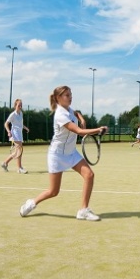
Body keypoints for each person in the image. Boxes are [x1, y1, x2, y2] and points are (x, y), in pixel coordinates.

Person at [19, 86, 108, 221]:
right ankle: (32, 203)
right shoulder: (60, 114)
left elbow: (76, 113)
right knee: (53, 191)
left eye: (71, 94)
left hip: (71, 153)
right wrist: (98, 129)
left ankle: (83, 210)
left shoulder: (68, 109)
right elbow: (77, 131)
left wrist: (81, 118)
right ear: (58, 98)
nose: (70, 97)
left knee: (89, 175)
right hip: (57, 155)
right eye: (67, 95)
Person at [1, 98, 29, 174]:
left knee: (17, 152)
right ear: (15, 105)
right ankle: (19, 168)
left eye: (21, 105)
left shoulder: (21, 113)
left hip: (20, 133)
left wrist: (25, 128)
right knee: (20, 150)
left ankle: (4, 163)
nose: (20, 106)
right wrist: (9, 131)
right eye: (19, 105)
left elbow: (20, 124)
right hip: (15, 134)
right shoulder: (12, 114)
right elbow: (6, 124)